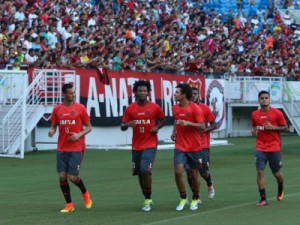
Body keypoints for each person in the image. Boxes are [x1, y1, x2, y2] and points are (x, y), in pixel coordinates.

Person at [121, 80, 165, 212]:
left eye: (145, 91)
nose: (142, 93)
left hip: (150, 143)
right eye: (140, 90)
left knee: (145, 170)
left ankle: (148, 199)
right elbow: (122, 126)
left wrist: (157, 127)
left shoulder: (154, 107)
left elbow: (163, 120)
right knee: (139, 173)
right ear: (135, 92)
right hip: (136, 146)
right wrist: (128, 124)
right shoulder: (130, 108)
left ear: (148, 92)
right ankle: (147, 198)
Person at [48, 83, 92, 213]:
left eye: (74, 92)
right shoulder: (57, 109)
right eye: (70, 93)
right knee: (62, 176)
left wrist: (79, 134)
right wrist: (52, 131)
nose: (73, 95)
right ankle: (69, 204)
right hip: (61, 148)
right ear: (64, 94)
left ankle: (85, 192)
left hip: (76, 148)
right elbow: (54, 125)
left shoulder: (80, 108)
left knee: (72, 177)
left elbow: (89, 127)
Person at [171, 83, 205, 211]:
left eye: (177, 92)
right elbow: (177, 120)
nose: (175, 94)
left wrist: (188, 123)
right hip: (180, 145)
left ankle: (195, 198)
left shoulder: (195, 108)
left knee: (194, 173)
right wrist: (174, 131)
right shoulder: (174, 108)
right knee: (178, 171)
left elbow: (202, 126)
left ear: (184, 94)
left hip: (194, 146)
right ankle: (183, 198)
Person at [251, 90, 288, 206]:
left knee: (276, 173)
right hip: (260, 148)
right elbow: (254, 127)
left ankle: (281, 184)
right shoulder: (254, 114)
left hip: (274, 148)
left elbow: (285, 128)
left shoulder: (277, 113)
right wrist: (253, 132)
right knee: (260, 172)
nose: (264, 100)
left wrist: (272, 127)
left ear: (269, 100)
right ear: (259, 100)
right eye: (262, 98)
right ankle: (263, 198)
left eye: (266, 98)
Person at [186, 87, 217, 204]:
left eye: (195, 94)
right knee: (189, 171)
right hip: (188, 144)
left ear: (199, 95)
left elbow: (214, 125)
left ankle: (209, 184)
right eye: (191, 94)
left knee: (202, 169)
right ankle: (196, 196)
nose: (193, 96)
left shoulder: (204, 108)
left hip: (203, 144)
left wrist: (204, 130)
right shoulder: (185, 108)